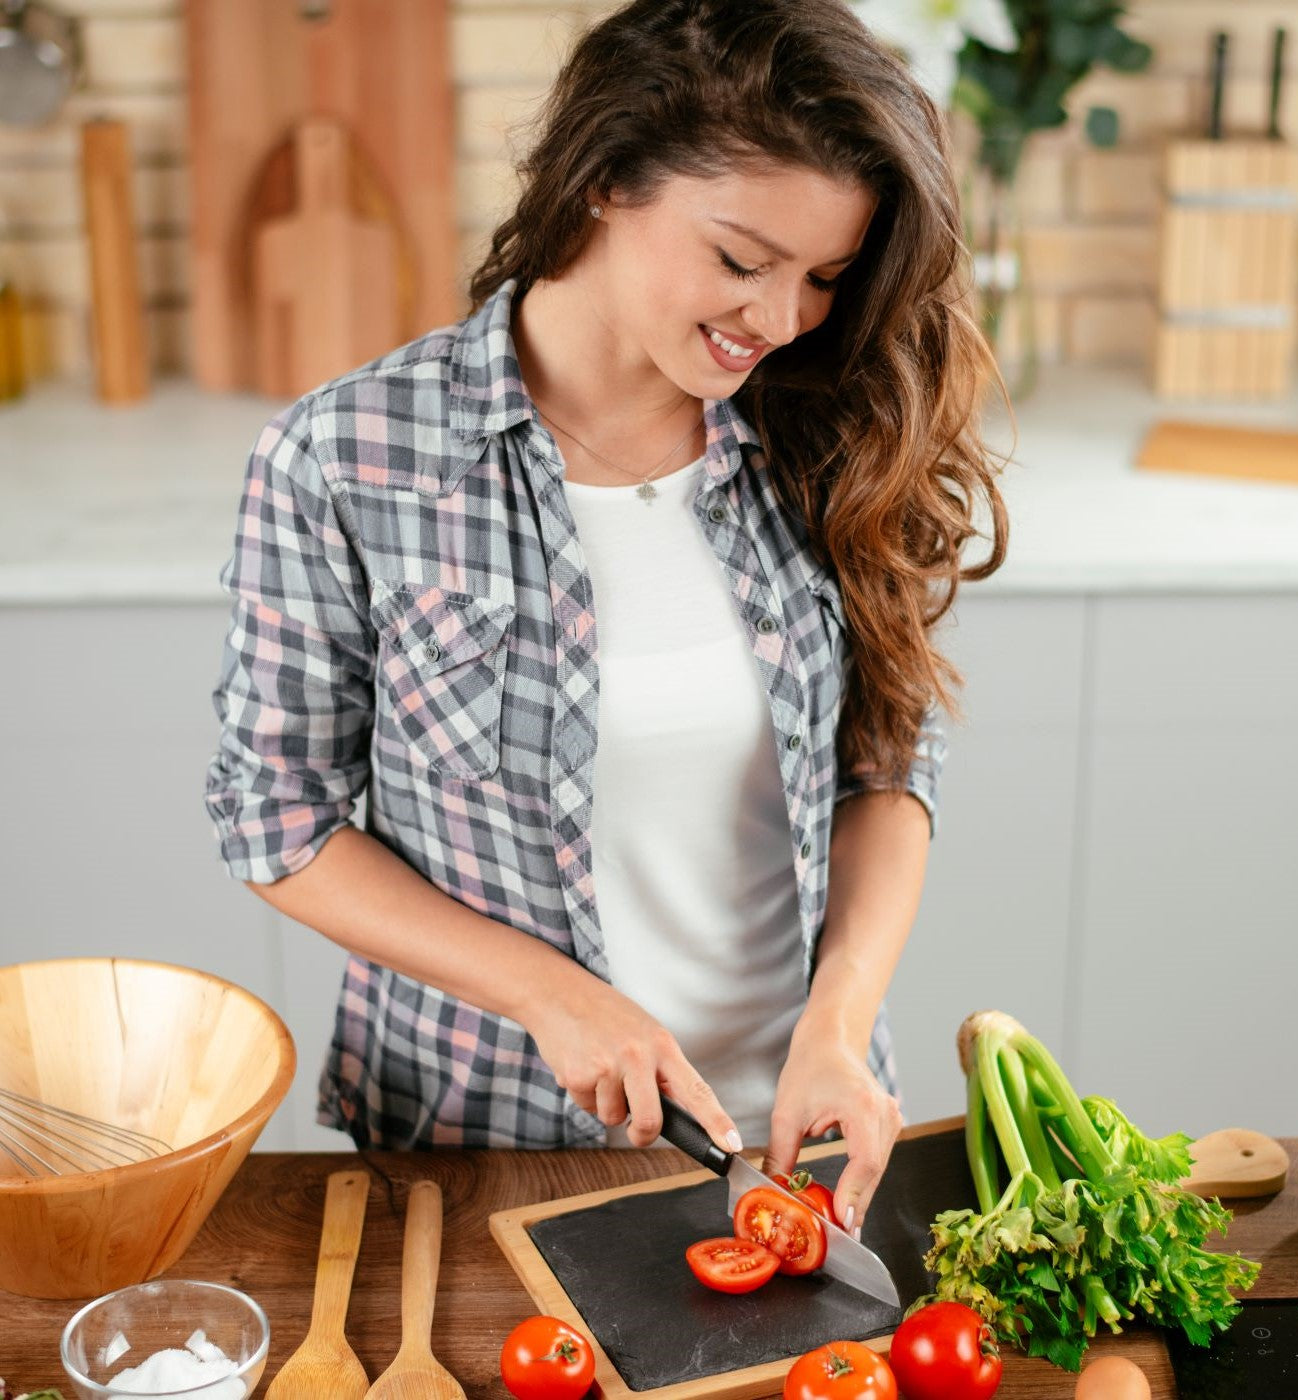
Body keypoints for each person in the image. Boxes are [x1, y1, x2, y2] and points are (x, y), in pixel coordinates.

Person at [204, 0, 1008, 1241]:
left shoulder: (821, 424)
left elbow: (887, 761)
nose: (783, 317)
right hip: (482, 1141)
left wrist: (839, 1019)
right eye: (743, 261)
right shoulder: (348, 458)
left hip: (796, 1139)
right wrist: (551, 995)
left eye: (823, 277)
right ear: (602, 183)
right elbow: (279, 820)